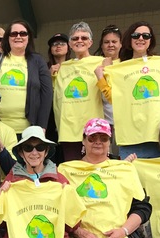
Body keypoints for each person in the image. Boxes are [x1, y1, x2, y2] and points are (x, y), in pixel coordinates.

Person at [95, 21, 160, 159]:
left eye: (146, 35)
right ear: (129, 39)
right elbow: (113, 98)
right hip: (131, 138)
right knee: (131, 180)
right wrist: (101, 78)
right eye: (136, 35)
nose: (141, 38)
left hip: (159, 137)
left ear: (151, 40)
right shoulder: (120, 68)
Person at [0, 20, 52, 135]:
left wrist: (42, 127)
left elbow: (46, 95)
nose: (18, 37)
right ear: (8, 38)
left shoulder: (38, 61)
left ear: (29, 37)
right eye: (14, 34)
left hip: (28, 130)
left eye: (23, 33)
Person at [53, 22, 105, 162]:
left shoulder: (101, 62)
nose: (79, 41)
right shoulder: (63, 67)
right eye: (75, 38)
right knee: (73, 172)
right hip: (69, 131)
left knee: (95, 170)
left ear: (90, 42)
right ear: (69, 43)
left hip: (94, 129)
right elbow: (57, 101)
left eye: (84, 38)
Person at [93, 25, 122, 152]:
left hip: (124, 120)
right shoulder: (94, 64)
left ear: (121, 44)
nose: (110, 45)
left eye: (114, 42)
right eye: (106, 42)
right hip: (103, 122)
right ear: (101, 45)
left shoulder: (127, 64)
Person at [44, 32, 69, 161]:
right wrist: (48, 75)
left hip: (68, 114)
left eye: (62, 43)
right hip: (49, 116)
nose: (58, 46)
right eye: (54, 44)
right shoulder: (44, 67)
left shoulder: (74, 66)